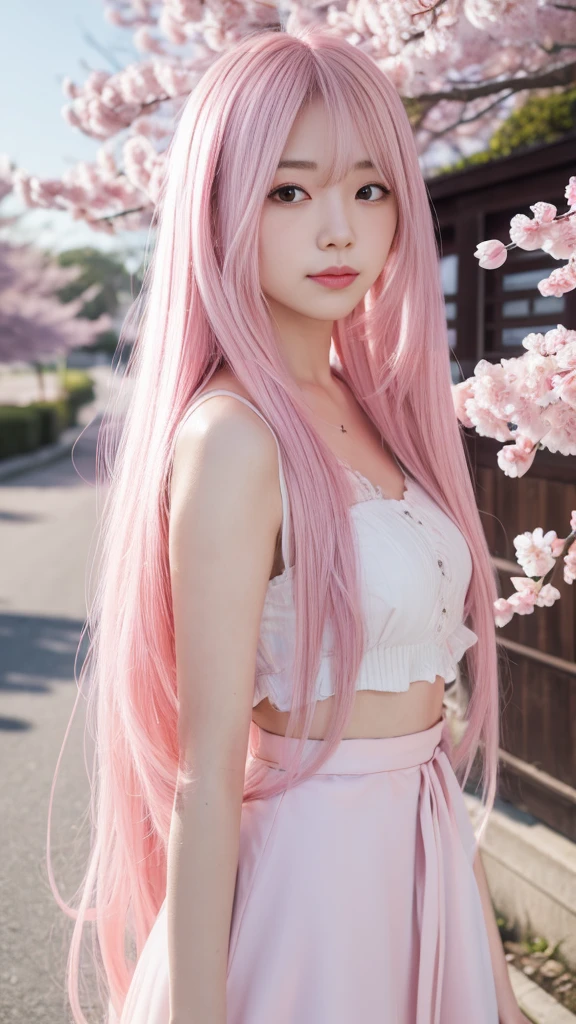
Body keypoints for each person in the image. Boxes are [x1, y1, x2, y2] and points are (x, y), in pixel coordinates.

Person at [48, 26, 531, 1024]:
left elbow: (428, 737)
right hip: (311, 894)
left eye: (368, 189)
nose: (339, 232)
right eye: (289, 190)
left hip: (423, 855)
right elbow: (206, 774)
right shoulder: (234, 437)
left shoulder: (378, 409)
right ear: (223, 202)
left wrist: (490, 969)